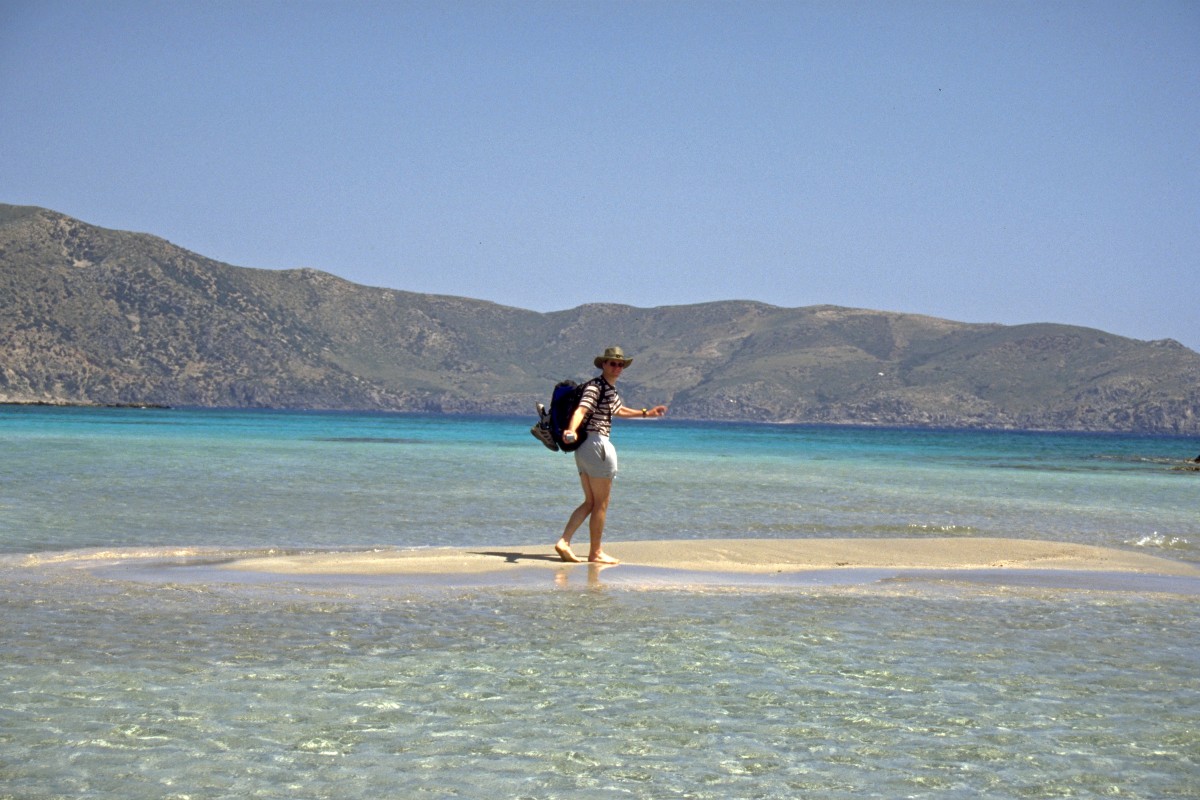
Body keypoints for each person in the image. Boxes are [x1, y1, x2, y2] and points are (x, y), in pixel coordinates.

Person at [554, 346, 668, 564]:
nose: (617, 367)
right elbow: (581, 410)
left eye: (620, 364)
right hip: (597, 444)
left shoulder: (609, 390)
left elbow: (620, 410)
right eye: (612, 363)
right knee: (601, 504)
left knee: (590, 502)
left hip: (584, 448)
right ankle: (595, 552)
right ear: (603, 365)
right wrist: (570, 429)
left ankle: (564, 542)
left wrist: (647, 413)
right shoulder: (596, 387)